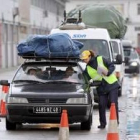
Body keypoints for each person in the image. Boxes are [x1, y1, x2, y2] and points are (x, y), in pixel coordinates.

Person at [80, 50, 120, 129]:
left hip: (111, 84)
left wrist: (108, 72)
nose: (84, 61)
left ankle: (115, 121)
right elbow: (85, 79)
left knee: (113, 103)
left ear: (90, 56)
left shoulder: (100, 59)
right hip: (101, 88)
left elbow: (112, 65)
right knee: (101, 105)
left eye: (85, 59)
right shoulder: (87, 69)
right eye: (83, 59)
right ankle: (102, 124)